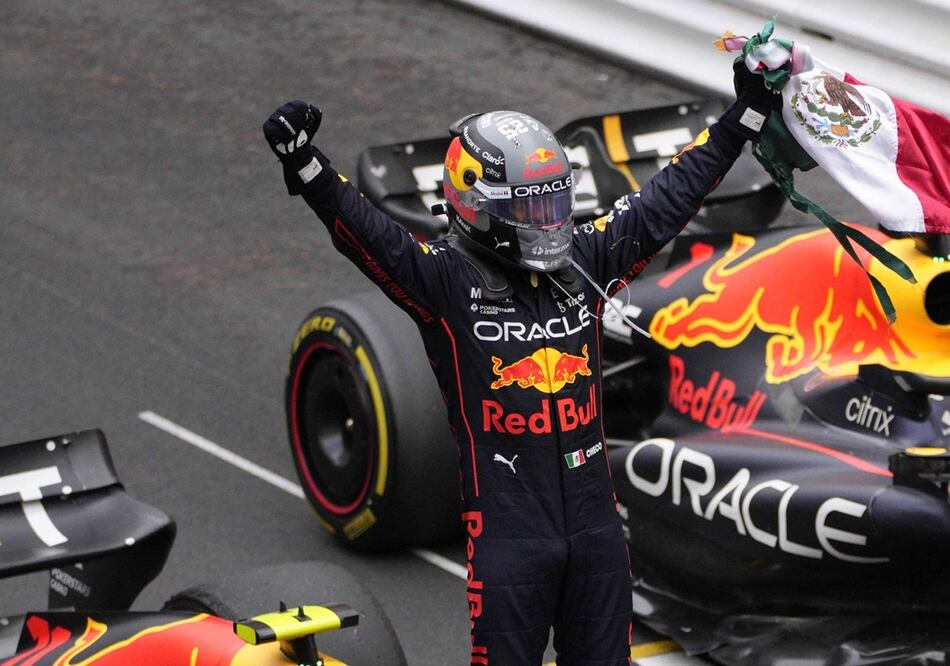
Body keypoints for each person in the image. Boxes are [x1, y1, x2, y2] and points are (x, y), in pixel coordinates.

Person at [263, 63, 779, 665]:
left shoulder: (587, 257)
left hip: (596, 532)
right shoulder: (443, 282)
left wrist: (744, 116)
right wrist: (308, 166)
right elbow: (368, 233)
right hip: (509, 541)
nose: (548, 224)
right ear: (477, 208)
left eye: (554, 204)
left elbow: (670, 195)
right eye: (531, 210)